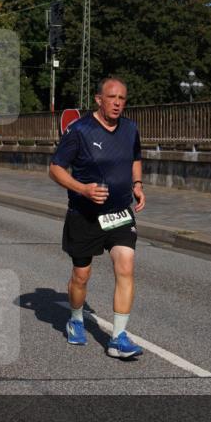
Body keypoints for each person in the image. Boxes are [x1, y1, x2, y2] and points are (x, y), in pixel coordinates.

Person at [49, 77, 146, 359]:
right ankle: (76, 319)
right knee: (81, 276)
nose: (117, 103)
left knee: (126, 265)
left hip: (119, 213)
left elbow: (136, 157)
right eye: (112, 97)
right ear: (98, 99)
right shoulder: (80, 131)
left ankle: (118, 338)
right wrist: (83, 189)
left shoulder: (130, 128)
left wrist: (138, 185)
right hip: (86, 214)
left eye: (122, 99)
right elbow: (55, 169)